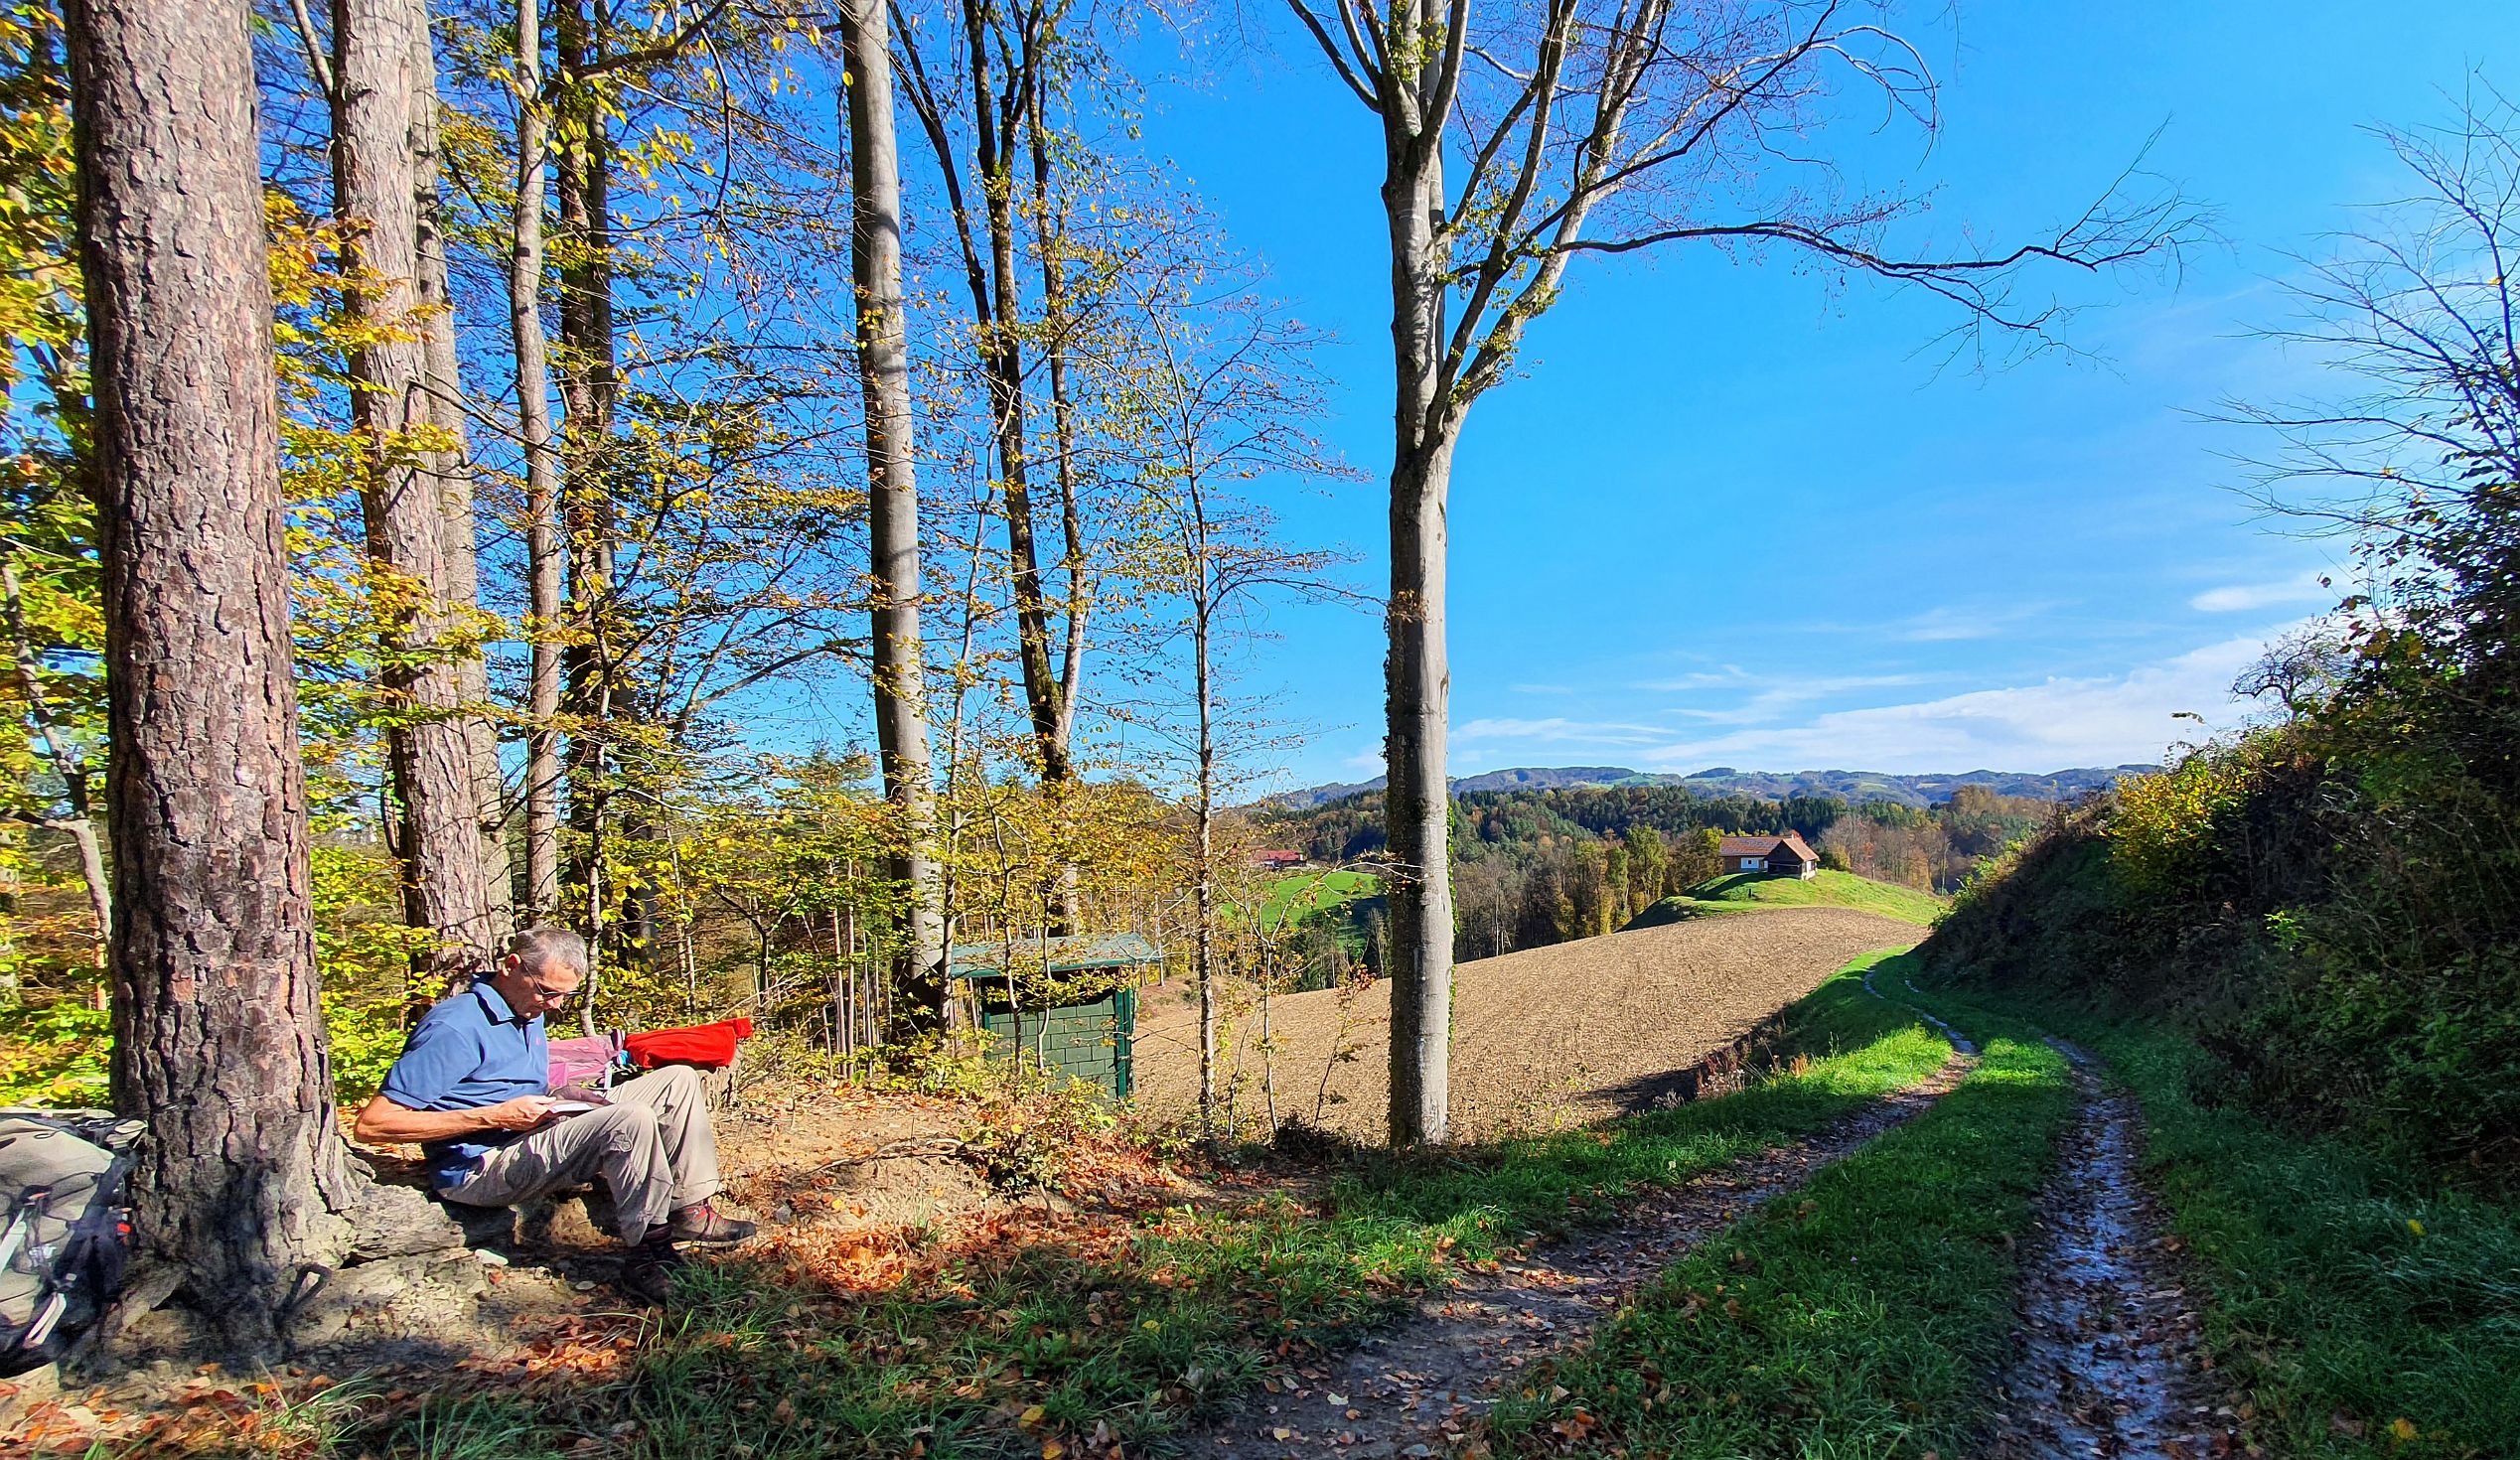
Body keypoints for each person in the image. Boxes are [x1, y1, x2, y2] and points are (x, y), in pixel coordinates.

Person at [353, 926, 755, 1304]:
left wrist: (565, 1097)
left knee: (677, 1080)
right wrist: (493, 1118)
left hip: (529, 1133)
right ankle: (649, 1252)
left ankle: (688, 1209)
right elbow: (374, 1124)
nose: (556, 1005)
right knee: (628, 1118)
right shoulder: (454, 1028)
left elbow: (510, 1082)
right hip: (480, 1167)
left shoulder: (526, 1010)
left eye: (565, 995)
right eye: (548, 992)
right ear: (511, 967)